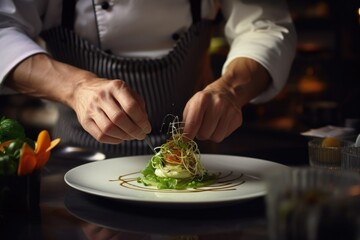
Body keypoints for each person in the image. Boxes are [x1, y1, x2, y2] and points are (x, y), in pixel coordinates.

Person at [0, 0, 297, 157]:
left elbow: (264, 24)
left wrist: (231, 90)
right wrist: (76, 87)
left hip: (199, 165)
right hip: (79, 161)